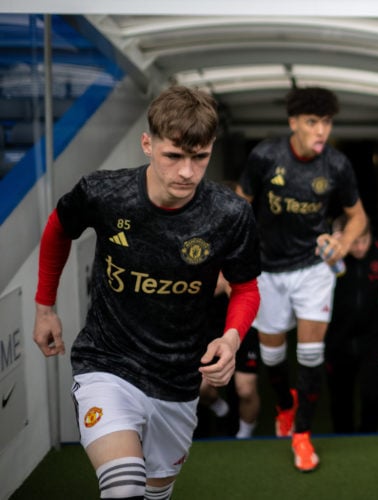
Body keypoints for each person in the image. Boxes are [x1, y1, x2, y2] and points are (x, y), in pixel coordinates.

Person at [32, 85, 262, 500]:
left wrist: (231, 338)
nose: (187, 172)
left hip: (177, 380)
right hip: (108, 363)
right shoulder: (105, 193)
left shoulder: (230, 214)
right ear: (147, 144)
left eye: (200, 157)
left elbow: (246, 288)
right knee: (123, 490)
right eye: (174, 156)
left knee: (155, 493)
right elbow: (58, 228)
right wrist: (44, 306)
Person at [239, 86, 367, 472]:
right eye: (312, 122)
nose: (321, 130)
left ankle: (302, 436)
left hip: (313, 269)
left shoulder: (337, 166)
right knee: (271, 355)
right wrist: (236, 259)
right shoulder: (265, 156)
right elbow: (240, 207)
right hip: (268, 270)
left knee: (311, 354)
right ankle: (283, 405)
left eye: (326, 122)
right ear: (293, 122)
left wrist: (343, 243)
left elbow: (357, 216)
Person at [325, 217, 378, 434]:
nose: (360, 247)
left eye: (364, 240)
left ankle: (368, 433)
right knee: (340, 394)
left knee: (375, 391)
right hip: (337, 339)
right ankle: (343, 435)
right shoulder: (328, 260)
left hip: (375, 338)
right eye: (354, 242)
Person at [199, 270, 262, 439]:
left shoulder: (235, 248)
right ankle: (221, 409)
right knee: (201, 388)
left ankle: (244, 436)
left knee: (246, 389)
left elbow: (237, 286)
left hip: (241, 325)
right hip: (206, 327)